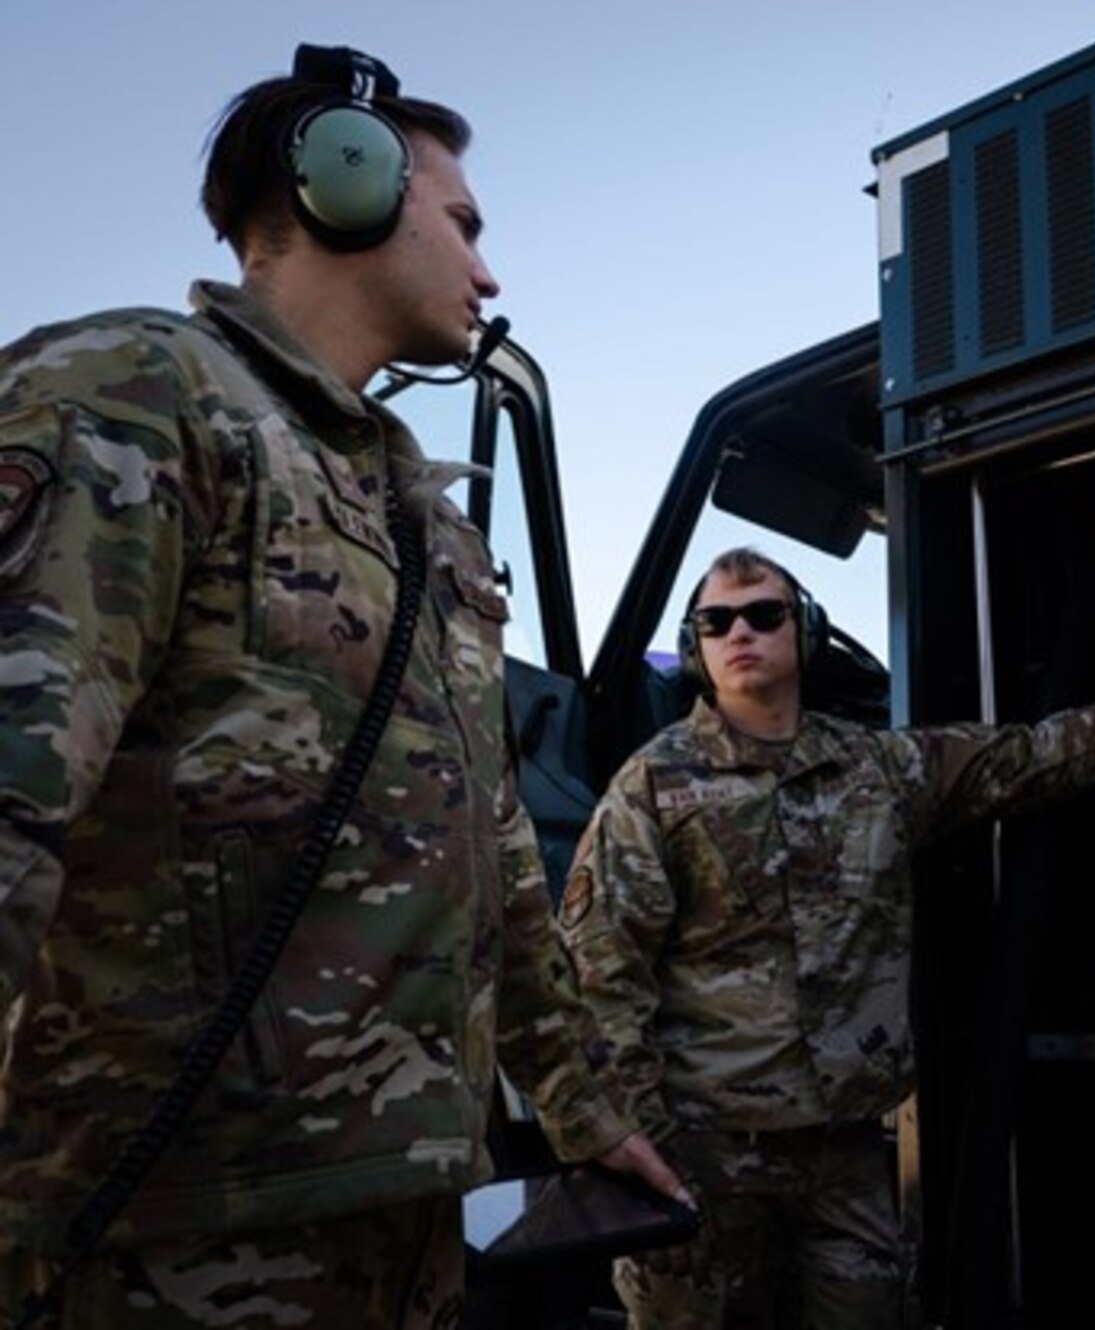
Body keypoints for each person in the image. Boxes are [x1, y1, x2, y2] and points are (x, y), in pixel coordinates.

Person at [0, 44, 684, 1328]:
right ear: (343, 184)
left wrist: (586, 1114)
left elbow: (493, 859)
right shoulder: (137, 399)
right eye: (465, 223)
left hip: (392, 1213)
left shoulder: (429, 524)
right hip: (166, 1233)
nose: (489, 271)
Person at [558, 547, 1095, 1328]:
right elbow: (597, 978)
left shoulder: (878, 768)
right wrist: (639, 1153)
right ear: (696, 648)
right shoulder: (653, 787)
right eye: (716, 621)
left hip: (846, 1160)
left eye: (764, 612)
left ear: (807, 631)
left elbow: (1030, 758)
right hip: (704, 1157)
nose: (740, 632)